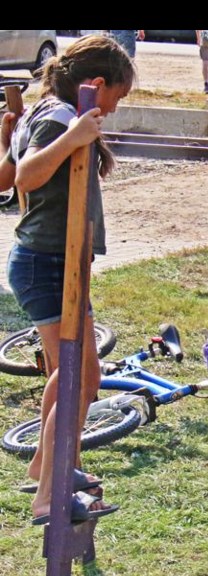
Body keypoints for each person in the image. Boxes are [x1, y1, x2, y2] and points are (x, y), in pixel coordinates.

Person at [1, 34, 135, 525]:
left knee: (78, 373)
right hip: (48, 262)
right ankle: (51, 493)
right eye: (116, 99)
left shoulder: (48, 113)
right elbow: (25, 178)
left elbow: (3, 175)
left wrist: (6, 138)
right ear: (95, 85)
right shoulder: (60, 117)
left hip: (57, 260)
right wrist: (75, 137)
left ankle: (46, 466)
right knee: (78, 376)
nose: (115, 111)